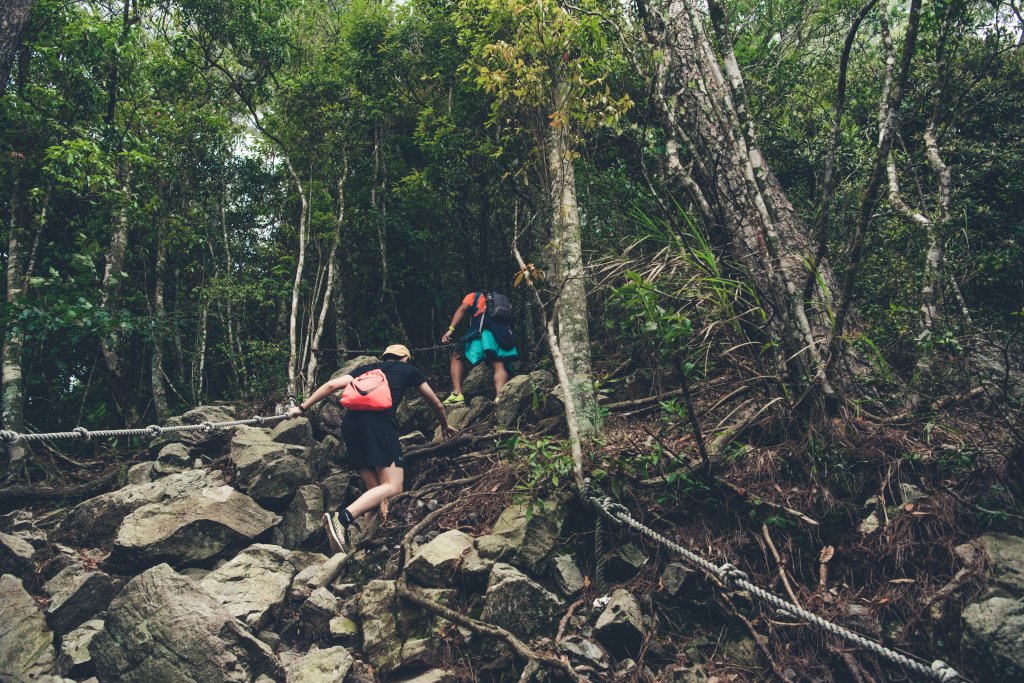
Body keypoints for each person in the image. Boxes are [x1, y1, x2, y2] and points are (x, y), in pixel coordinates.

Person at [289, 344, 458, 552]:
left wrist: (302, 407)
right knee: (394, 487)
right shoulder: (410, 370)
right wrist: (444, 424)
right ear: (405, 358)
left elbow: (332, 385)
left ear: (385, 357)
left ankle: (363, 547)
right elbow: (436, 403)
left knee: (376, 491)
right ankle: (342, 518)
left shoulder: (367, 368)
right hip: (378, 424)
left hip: (350, 425)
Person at [440, 290, 519, 405]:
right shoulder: (497, 300)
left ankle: (457, 394)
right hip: (500, 332)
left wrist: (450, 329)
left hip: (482, 330)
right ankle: (500, 397)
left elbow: (463, 308)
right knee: (498, 363)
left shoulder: (473, 296)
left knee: (456, 356)